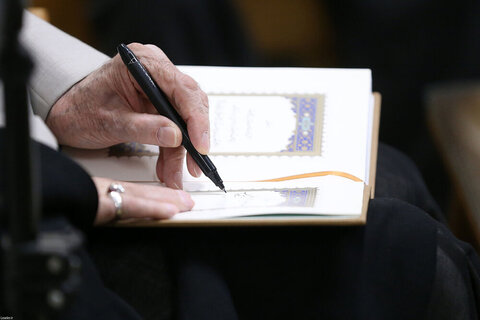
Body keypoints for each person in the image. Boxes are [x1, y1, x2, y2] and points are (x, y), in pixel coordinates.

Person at [1, 11, 480, 320]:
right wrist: (73, 191)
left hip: (36, 151)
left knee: (390, 173)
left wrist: (64, 87)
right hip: (34, 230)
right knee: (413, 257)